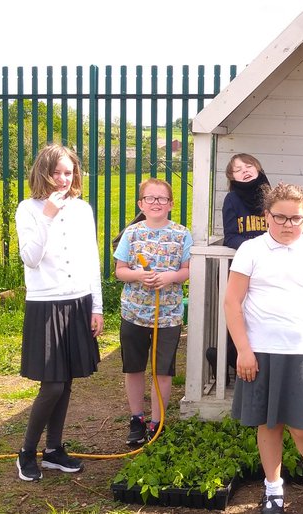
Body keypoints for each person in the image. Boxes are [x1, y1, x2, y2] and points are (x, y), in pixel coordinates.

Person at [224, 182, 303, 514]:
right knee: (269, 425)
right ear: (266, 216)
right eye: (280, 217)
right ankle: (273, 488)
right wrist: (243, 350)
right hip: (260, 351)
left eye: (295, 218)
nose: (288, 225)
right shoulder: (250, 250)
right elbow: (232, 302)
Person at [13, 143, 104, 481]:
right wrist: (47, 216)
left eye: (68, 172)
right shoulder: (28, 209)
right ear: (43, 172)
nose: (63, 179)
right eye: (56, 172)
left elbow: (91, 259)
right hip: (45, 304)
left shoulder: (82, 209)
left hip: (78, 301)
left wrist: (96, 306)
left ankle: (53, 450)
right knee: (51, 385)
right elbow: (30, 258)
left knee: (65, 382)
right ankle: (26, 452)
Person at [113, 178, 193, 446]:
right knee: (134, 367)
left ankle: (157, 423)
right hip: (134, 313)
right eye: (150, 198)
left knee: (163, 371)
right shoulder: (132, 233)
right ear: (141, 204)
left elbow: (188, 269)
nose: (156, 202)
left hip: (167, 316)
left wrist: (171, 277)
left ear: (170, 204)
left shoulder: (182, 234)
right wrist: (138, 275)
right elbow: (120, 271)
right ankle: (136, 419)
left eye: (162, 198)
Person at [207, 153, 272, 380]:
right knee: (238, 317)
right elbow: (231, 237)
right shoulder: (232, 200)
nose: (244, 170)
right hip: (240, 269)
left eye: (248, 165)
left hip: (268, 270)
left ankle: (238, 361)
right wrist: (258, 249)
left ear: (258, 168)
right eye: (237, 169)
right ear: (231, 177)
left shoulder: (272, 197)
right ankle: (229, 358)